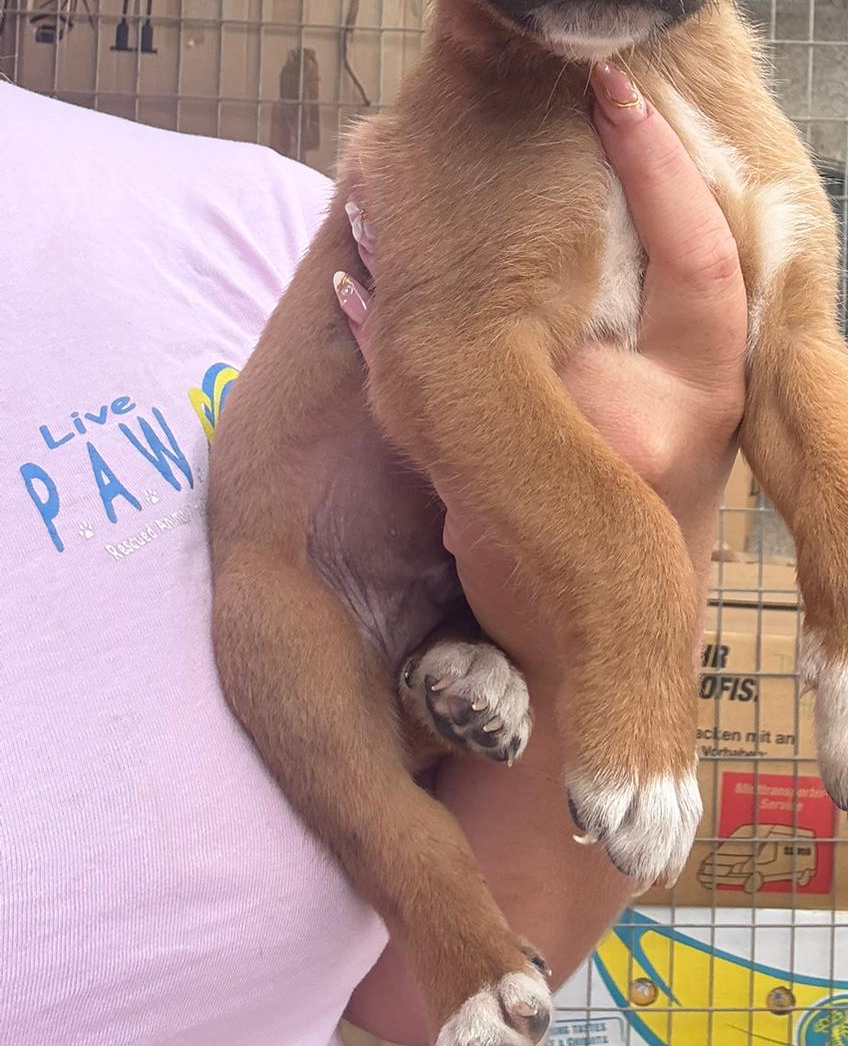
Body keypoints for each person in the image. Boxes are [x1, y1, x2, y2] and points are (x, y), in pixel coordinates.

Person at [0, 66, 747, 1046]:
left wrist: (659, 524)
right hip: (341, 660)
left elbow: (401, 996)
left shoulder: (274, 215)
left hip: (435, 648)